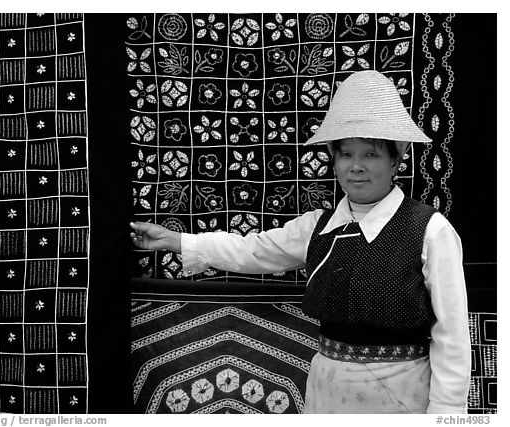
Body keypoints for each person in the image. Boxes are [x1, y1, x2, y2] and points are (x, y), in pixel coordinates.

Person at [130, 70, 470, 414]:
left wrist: (446, 412)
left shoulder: (429, 230)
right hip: (326, 390)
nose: (356, 167)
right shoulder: (318, 227)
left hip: (402, 392)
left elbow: (451, 334)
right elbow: (252, 251)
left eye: (371, 154)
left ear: (396, 159)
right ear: (333, 160)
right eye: (345, 154)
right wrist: (176, 241)